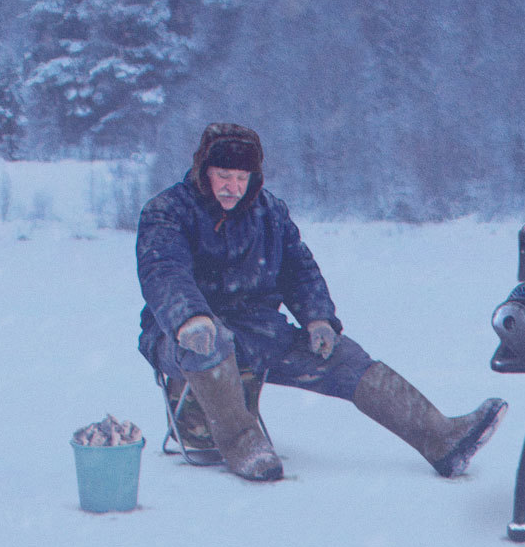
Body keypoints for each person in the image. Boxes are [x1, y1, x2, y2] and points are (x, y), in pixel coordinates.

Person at [137, 122, 506, 482]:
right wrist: (189, 318)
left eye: (241, 177)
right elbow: (164, 271)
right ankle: (244, 446)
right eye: (223, 176)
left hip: (256, 331)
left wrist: (318, 319)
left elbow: (299, 270)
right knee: (209, 340)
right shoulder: (168, 211)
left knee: (342, 357)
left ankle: (439, 437)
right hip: (181, 336)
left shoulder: (270, 213)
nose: (232, 187)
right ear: (205, 172)